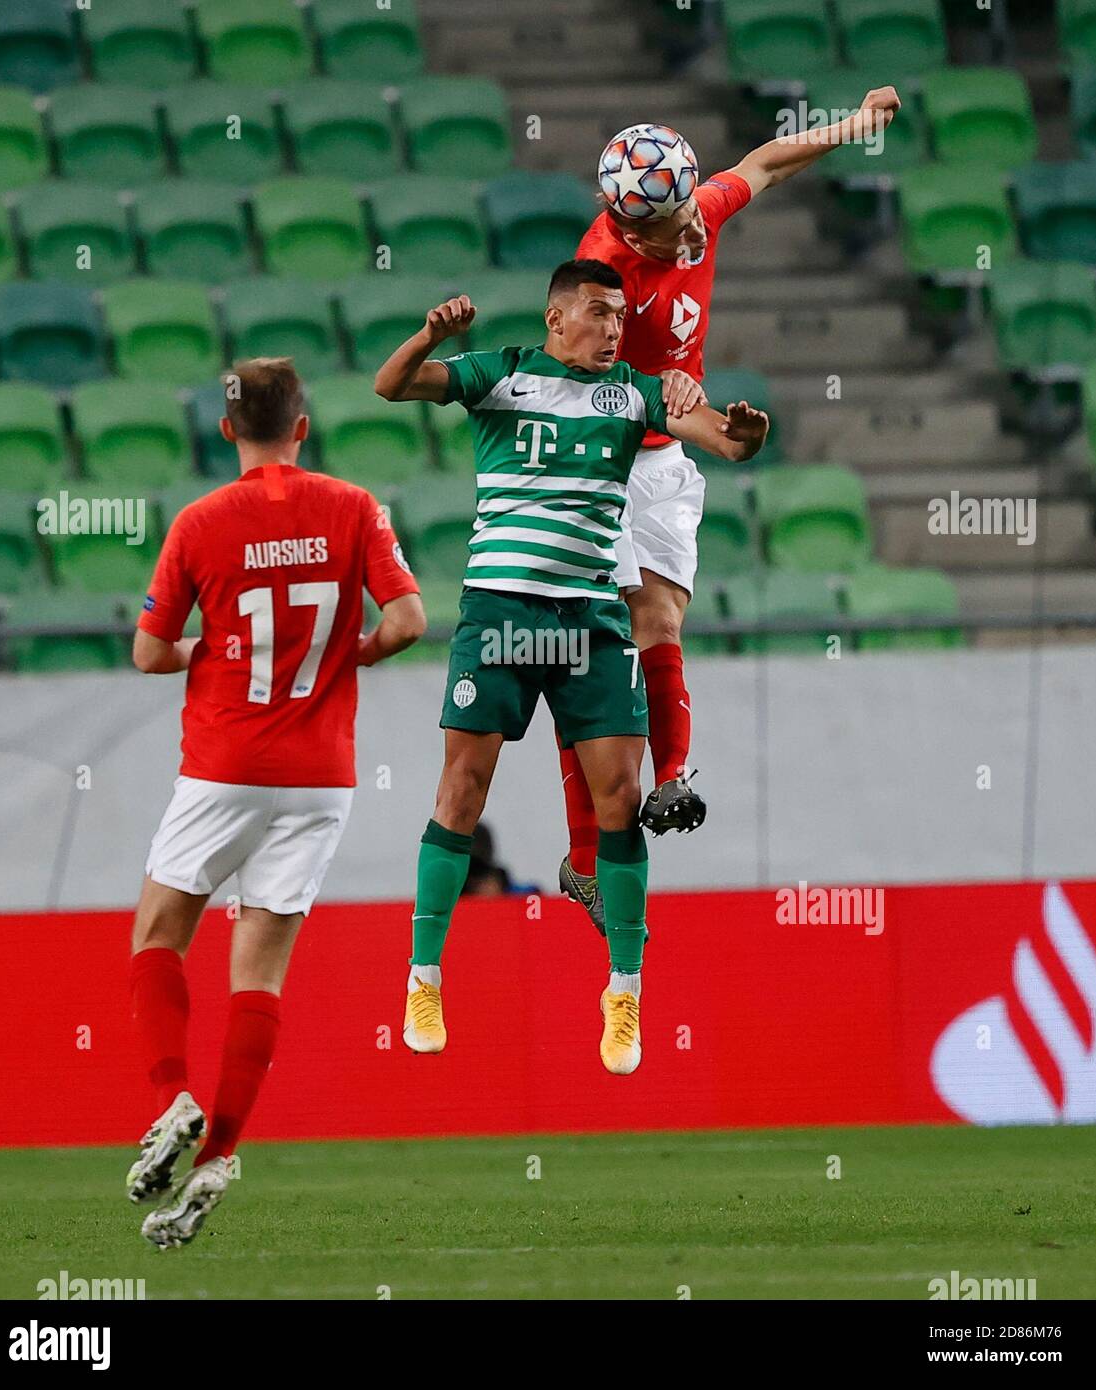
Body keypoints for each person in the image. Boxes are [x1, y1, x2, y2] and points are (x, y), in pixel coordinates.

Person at [373, 259, 768, 1075]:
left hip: (588, 620)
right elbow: (391, 386)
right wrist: (429, 336)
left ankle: (624, 991)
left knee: (620, 800)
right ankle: (423, 975)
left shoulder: (634, 391)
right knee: (461, 789)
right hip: (502, 615)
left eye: (620, 316)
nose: (614, 328)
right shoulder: (501, 375)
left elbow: (724, 441)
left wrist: (744, 430)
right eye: (597, 313)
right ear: (556, 319)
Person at [558, 88, 902, 934]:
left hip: (665, 456)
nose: (688, 233)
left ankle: (671, 780)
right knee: (592, 658)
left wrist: (852, 125)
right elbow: (583, 389)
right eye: (667, 229)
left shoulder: (685, 207)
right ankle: (581, 859)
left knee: (664, 620)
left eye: (686, 213)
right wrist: (687, 411)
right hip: (600, 460)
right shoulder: (601, 276)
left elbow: (761, 165)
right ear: (627, 231)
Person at [126, 357, 424, 1247]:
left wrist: (204, 654)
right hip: (320, 777)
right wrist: (348, 657)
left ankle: (172, 1100)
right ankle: (218, 1153)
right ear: (303, 427)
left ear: (228, 433)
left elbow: (148, 654)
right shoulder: (353, 506)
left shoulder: (201, 522)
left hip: (223, 762)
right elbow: (408, 621)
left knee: (157, 937)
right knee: (257, 973)